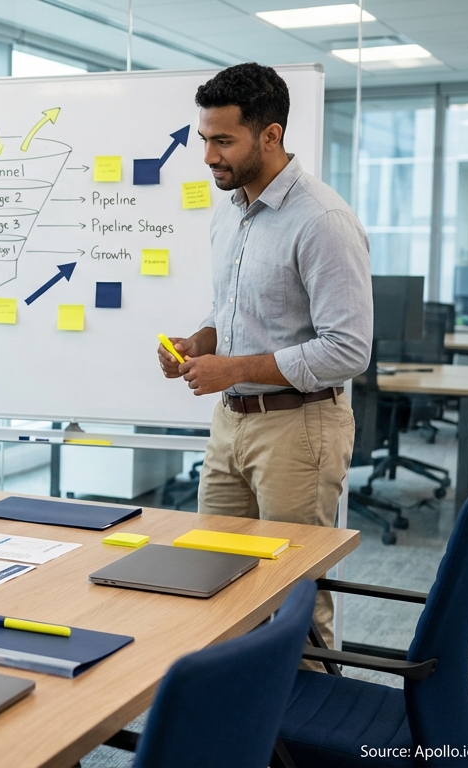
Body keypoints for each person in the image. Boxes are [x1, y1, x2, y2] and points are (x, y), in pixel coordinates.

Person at [158, 63, 372, 644]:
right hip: (231, 424)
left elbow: (348, 349)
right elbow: (232, 309)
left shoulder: (323, 220)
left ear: (270, 135)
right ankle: (232, 702)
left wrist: (234, 367)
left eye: (223, 141)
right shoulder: (231, 213)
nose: (208, 156)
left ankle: (307, 705)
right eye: (204, 139)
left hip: (298, 428)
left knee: (296, 603)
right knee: (214, 583)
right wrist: (201, 342)